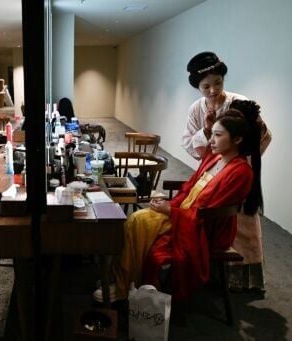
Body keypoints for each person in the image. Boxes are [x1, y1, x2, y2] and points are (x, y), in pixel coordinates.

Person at [98, 101, 262, 302]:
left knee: (137, 221)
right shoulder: (215, 158)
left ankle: (124, 284)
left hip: (204, 228)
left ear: (237, 139)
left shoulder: (241, 173)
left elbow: (210, 213)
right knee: (135, 221)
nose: (211, 140)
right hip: (186, 214)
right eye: (213, 134)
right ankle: (124, 279)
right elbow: (190, 188)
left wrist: (171, 211)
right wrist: (171, 204)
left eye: (218, 135)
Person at [182, 52, 271, 292]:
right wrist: (207, 132)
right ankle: (208, 271)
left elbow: (263, 136)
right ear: (197, 87)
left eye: (218, 83)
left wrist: (236, 163)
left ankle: (244, 280)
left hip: (236, 173)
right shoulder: (196, 109)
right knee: (211, 217)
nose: (212, 91)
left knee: (242, 221)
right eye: (205, 86)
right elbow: (189, 143)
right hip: (211, 172)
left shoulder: (239, 103)